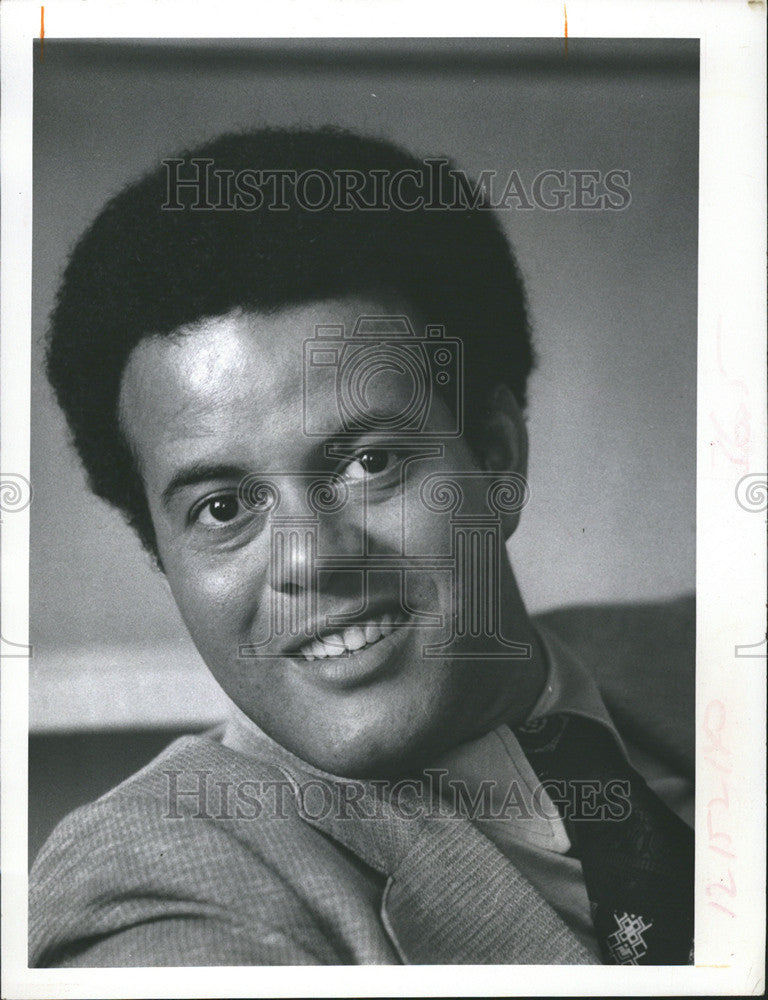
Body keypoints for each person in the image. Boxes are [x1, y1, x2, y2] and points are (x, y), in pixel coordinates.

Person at [29, 126, 694, 967]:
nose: (313, 560)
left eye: (371, 463)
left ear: (496, 457)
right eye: (224, 506)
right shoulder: (157, 893)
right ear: (164, 554)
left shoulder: (706, 655)